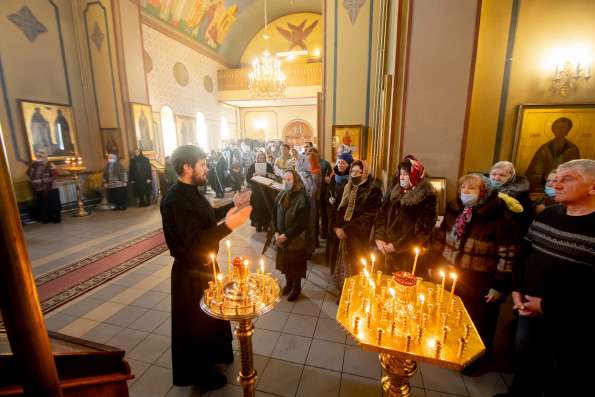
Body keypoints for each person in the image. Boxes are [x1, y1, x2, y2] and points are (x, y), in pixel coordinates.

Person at [495, 159, 595, 397]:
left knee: (562, 373)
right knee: (526, 361)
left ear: (593, 187)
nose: (556, 184)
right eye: (555, 178)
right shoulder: (548, 214)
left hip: (573, 322)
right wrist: (517, 290)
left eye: (567, 179)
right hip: (528, 309)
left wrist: (546, 305)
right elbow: (524, 253)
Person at [160, 145, 252, 391]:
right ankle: (202, 375)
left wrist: (230, 204)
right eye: (202, 164)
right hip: (189, 275)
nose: (207, 168)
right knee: (196, 325)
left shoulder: (191, 191)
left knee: (210, 317)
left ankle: (215, 357)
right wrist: (229, 226)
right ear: (187, 167)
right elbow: (195, 242)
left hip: (204, 268)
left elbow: (205, 215)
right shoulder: (175, 200)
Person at [430, 173, 520, 374]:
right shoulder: (455, 209)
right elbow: (440, 238)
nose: (465, 192)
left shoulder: (500, 218)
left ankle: (473, 362)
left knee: (477, 323)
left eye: (471, 189)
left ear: (484, 191)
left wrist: (499, 285)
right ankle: (449, 352)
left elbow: (508, 256)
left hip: (479, 280)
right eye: (463, 188)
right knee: (450, 317)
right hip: (450, 272)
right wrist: (434, 263)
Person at [374, 155, 437, 273]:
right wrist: (379, 238)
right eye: (400, 174)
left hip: (408, 256)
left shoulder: (427, 197)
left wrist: (396, 246)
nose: (402, 177)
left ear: (415, 174)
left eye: (406, 174)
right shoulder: (395, 191)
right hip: (384, 250)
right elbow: (381, 215)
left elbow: (422, 230)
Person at [331, 160, 382, 292]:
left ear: (365, 173)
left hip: (357, 237)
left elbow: (369, 216)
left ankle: (352, 293)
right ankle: (342, 290)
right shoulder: (345, 186)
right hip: (340, 233)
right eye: (352, 171)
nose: (354, 174)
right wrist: (336, 227)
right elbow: (336, 209)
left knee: (355, 266)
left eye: (357, 172)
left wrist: (347, 230)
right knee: (342, 264)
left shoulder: (373, 190)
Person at [272, 170, 310, 301]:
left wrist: (286, 235)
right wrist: (276, 231)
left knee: (295, 265)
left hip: (295, 238)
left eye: (289, 180)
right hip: (281, 236)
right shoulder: (282, 194)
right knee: (286, 263)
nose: (286, 182)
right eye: (284, 179)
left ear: (295, 181)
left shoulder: (302, 198)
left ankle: (296, 287)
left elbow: (302, 222)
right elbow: (274, 214)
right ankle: (289, 284)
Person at [525, 117, 581, 192]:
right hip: (543, 185)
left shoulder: (573, 149)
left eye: (563, 128)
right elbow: (535, 169)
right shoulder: (544, 148)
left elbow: (575, 171)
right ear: (553, 129)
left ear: (568, 130)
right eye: (557, 127)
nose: (560, 130)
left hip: (564, 187)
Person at [326, 152, 352, 275]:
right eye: (339, 162)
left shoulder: (350, 179)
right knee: (331, 241)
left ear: (349, 165)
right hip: (332, 211)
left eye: (344, 163)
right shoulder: (334, 176)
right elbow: (327, 191)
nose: (341, 165)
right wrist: (329, 199)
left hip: (342, 214)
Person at [488, 161, 533, 230]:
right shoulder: (484, 189)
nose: (496, 178)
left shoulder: (521, 194)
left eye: (502, 175)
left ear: (511, 177)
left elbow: (522, 220)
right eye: (493, 174)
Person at [27, 150, 61, 223]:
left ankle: (57, 218)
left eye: (40, 156)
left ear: (45, 157)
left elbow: (54, 176)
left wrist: (41, 181)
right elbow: (29, 174)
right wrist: (31, 180)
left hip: (51, 187)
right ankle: (47, 217)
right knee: (43, 204)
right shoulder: (34, 165)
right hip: (39, 188)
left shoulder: (50, 164)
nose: (38, 157)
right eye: (37, 156)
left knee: (54, 203)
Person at [245, 151, 275, 232]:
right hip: (256, 191)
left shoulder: (268, 165)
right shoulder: (252, 166)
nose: (261, 159)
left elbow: (273, 177)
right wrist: (253, 176)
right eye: (259, 157)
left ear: (265, 158)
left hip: (266, 190)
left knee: (265, 207)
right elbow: (247, 178)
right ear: (257, 157)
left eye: (262, 157)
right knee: (257, 207)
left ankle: (265, 225)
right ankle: (258, 225)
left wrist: (266, 176)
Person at [315, 148, 332, 240]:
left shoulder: (325, 163)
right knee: (315, 215)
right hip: (314, 194)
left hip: (323, 193)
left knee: (324, 214)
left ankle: (324, 233)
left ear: (318, 154)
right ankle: (315, 235)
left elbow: (330, 177)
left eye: (315, 154)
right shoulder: (309, 164)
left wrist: (328, 179)